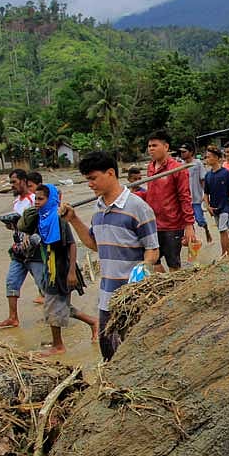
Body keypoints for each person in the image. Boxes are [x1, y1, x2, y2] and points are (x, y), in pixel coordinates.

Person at [61, 151, 160, 361]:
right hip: (107, 297)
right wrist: (73, 219)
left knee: (133, 354)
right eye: (87, 179)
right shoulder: (98, 209)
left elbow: (152, 249)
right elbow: (95, 245)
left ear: (111, 173)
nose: (90, 184)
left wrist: (144, 267)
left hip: (131, 298)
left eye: (93, 178)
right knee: (108, 352)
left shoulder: (138, 208)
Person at [32, 184, 97, 356]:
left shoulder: (59, 218)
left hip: (61, 269)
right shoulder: (42, 218)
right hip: (50, 267)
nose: (36, 202)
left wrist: (71, 272)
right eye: (35, 199)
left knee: (53, 306)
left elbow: (72, 244)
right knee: (57, 305)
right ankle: (92, 322)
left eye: (40, 199)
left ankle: (58, 345)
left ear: (51, 200)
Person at [143, 130, 196, 271]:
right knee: (154, 262)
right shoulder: (150, 168)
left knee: (173, 264)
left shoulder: (177, 169)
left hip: (172, 225)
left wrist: (189, 226)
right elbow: (151, 194)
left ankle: (176, 291)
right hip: (153, 224)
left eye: (154, 145)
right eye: (149, 146)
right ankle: (166, 288)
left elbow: (185, 197)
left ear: (166, 147)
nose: (151, 149)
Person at [0, 169, 41, 327]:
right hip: (19, 249)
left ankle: (58, 315)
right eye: (10, 183)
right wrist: (12, 226)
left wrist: (30, 233)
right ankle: (13, 317)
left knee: (43, 284)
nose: (12, 186)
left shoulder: (34, 199)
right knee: (11, 281)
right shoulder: (16, 202)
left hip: (34, 250)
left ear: (23, 181)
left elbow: (41, 221)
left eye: (14, 182)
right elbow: (19, 226)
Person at [203, 147, 229, 258]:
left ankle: (225, 254)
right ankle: (227, 253)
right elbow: (205, 193)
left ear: (216, 158)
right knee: (221, 230)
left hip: (225, 207)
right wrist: (207, 206)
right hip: (215, 208)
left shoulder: (226, 173)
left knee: (223, 230)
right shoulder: (208, 175)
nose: (206, 159)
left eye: (208, 157)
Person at [179, 146, 212, 244]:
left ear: (191, 152)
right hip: (185, 199)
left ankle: (206, 229)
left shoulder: (197, 164)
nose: (182, 154)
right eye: (181, 152)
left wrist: (205, 195)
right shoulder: (180, 165)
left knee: (200, 220)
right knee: (188, 222)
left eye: (184, 152)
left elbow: (202, 179)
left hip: (196, 198)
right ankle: (192, 240)